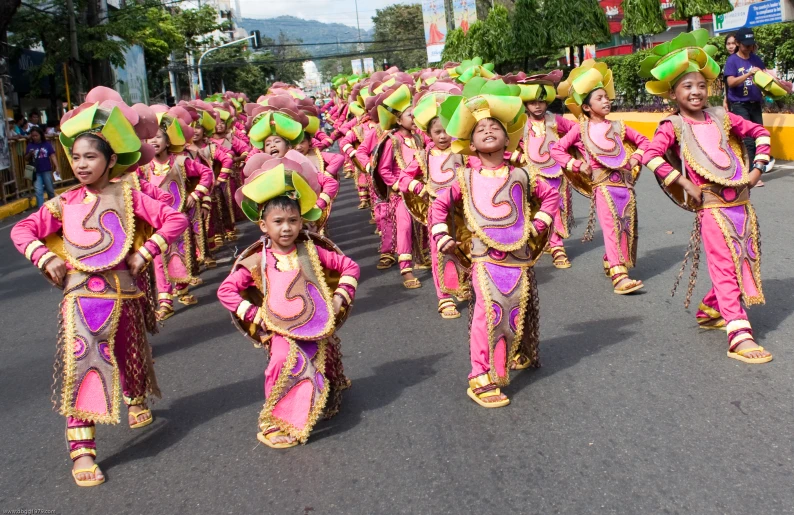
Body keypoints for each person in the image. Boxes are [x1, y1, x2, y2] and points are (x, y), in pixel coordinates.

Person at [10, 87, 189, 487]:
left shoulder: (129, 196)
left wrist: (147, 252)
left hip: (124, 294)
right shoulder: (64, 203)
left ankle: (136, 396)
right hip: (80, 299)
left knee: (128, 354)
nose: (82, 164)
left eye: (91, 157)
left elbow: (173, 219)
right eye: (76, 157)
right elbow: (22, 230)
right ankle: (83, 450)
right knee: (85, 365)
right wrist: (46, 256)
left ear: (111, 161)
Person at [641, 29, 773, 364]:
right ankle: (738, 333)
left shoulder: (720, 116)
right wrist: (685, 184)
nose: (696, 91)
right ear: (673, 93)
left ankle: (711, 308)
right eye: (687, 86)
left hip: (742, 203)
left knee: (741, 259)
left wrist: (757, 170)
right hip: (711, 207)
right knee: (725, 265)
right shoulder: (671, 125)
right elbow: (650, 156)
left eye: (701, 85)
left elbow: (758, 131)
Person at [429, 77, 559, 408]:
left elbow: (551, 195)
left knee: (513, 312)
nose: (487, 131)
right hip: (484, 258)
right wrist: (441, 234)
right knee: (488, 312)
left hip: (518, 257)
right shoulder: (465, 178)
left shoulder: (521, 174)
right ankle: (479, 375)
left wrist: (538, 226)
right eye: (479, 129)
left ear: (507, 138)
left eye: (495, 127)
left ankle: (504, 361)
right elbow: (439, 206)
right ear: (471, 143)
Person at [217, 151, 359, 448]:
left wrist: (337, 300)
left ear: (301, 221)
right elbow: (226, 291)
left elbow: (350, 267)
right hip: (279, 327)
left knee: (323, 358)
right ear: (263, 226)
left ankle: (326, 390)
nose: (286, 228)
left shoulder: (312, 250)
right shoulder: (257, 260)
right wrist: (256, 314)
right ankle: (272, 420)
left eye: (292, 220)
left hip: (316, 322)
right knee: (282, 361)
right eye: (278, 221)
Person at [551, 60, 649, 295]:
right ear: (586, 107)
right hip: (602, 185)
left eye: (606, 97)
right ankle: (618, 273)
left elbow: (645, 142)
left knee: (625, 225)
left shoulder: (619, 126)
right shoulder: (579, 130)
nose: (606, 101)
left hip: (625, 184)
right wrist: (576, 165)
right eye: (599, 98)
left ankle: (610, 259)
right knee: (611, 226)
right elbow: (556, 150)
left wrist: (635, 159)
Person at [400, 83, 464, 318]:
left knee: (462, 248)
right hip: (436, 212)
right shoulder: (423, 155)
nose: (444, 136)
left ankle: (459, 284)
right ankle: (444, 298)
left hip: (463, 210)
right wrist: (421, 187)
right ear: (428, 134)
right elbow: (404, 179)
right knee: (439, 252)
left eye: (448, 129)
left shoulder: (463, 149)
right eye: (438, 132)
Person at [508, 70, 578, 268]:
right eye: (532, 102)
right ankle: (551, 245)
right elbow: (507, 146)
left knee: (556, 209)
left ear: (547, 101)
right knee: (538, 211)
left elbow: (576, 130)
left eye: (541, 101)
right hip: (532, 175)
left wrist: (562, 148)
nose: (537, 106)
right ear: (525, 103)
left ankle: (555, 245)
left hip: (556, 174)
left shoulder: (555, 121)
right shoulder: (521, 124)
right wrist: (520, 157)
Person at [724, 28, 769, 167]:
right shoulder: (732, 61)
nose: (749, 48)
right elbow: (730, 82)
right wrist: (748, 74)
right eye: (745, 45)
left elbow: (764, 76)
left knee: (759, 136)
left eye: (750, 45)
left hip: (755, 103)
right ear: (738, 43)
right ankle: (751, 173)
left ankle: (757, 168)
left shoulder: (755, 59)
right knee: (748, 139)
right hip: (739, 104)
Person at [24, 126, 58, 207]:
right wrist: (30, 154)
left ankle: (53, 207)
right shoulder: (30, 145)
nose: (35, 137)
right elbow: (26, 158)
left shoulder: (47, 144)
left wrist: (57, 166)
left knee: (50, 190)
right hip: (36, 171)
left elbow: (52, 155)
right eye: (33, 136)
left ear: (40, 135)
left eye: (36, 135)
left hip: (46, 169)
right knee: (38, 191)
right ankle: (41, 210)